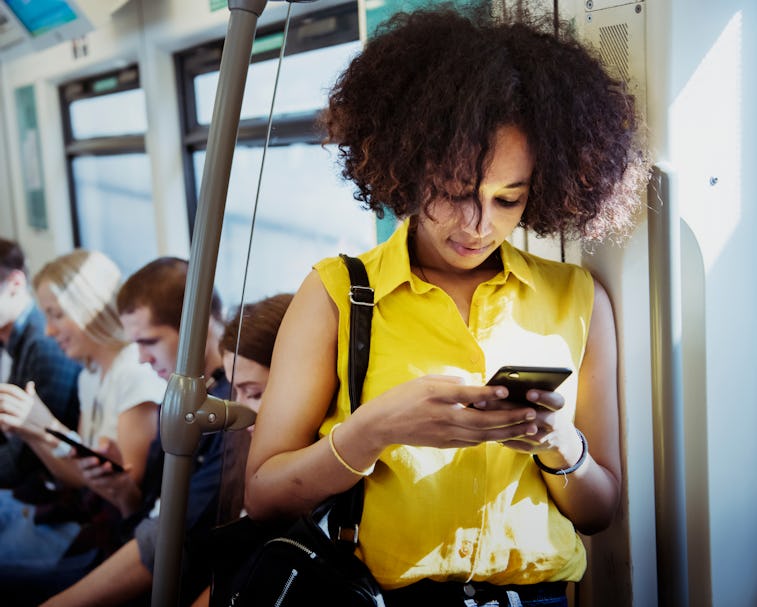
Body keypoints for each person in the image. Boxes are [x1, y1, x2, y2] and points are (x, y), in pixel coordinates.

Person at [245, 6, 649, 607]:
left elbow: (600, 512)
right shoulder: (338, 294)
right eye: (456, 193)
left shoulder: (577, 297)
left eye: (508, 199)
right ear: (407, 169)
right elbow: (264, 496)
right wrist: (375, 430)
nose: (479, 224)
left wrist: (562, 445)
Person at [40, 280, 292, 607]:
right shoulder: (177, 405)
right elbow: (147, 514)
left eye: (150, 341)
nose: (141, 358)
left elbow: (176, 544)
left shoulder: (225, 427)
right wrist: (120, 489)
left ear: (195, 333)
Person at [0, 249, 166, 606]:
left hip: (111, 534)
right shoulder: (90, 375)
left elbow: (119, 493)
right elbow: (74, 477)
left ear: (91, 307)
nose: (48, 330)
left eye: (57, 315)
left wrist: (46, 428)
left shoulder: (134, 375)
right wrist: (34, 432)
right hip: (88, 517)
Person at [0, 238, 81, 499]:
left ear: (15, 283)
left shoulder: (46, 346)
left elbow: (21, 463)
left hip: (46, 492)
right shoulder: (10, 336)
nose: (51, 325)